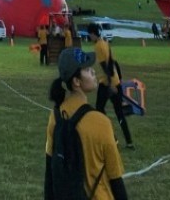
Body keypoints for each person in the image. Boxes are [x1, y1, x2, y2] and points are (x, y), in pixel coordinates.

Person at [45, 48, 128, 200]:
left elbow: (50, 170)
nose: (94, 72)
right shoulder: (101, 122)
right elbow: (116, 179)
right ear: (77, 82)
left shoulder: (55, 116)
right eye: (88, 70)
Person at [87, 24, 133, 149]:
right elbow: (113, 62)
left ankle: (113, 138)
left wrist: (110, 85)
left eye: (89, 34)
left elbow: (105, 67)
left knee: (99, 109)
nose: (89, 37)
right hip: (116, 81)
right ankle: (129, 142)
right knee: (119, 113)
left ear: (93, 34)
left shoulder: (97, 46)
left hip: (106, 83)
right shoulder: (106, 42)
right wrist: (118, 80)